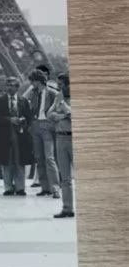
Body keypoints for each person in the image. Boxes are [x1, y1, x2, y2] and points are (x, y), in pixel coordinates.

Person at [0, 77, 33, 196]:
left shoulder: (23, 100)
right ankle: (8, 187)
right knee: (7, 161)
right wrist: (9, 120)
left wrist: (23, 121)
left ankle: (20, 188)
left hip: (20, 136)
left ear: (17, 87)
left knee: (19, 161)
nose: (9, 87)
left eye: (12, 85)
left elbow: (29, 118)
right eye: (8, 85)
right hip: (4, 135)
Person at [28, 69, 60, 198]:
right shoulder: (34, 93)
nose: (31, 84)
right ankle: (45, 187)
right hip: (36, 126)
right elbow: (24, 100)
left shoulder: (53, 93)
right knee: (39, 158)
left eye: (32, 82)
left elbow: (58, 108)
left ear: (37, 81)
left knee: (49, 158)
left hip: (47, 126)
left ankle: (55, 188)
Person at [48, 74, 74, 218]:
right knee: (65, 178)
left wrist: (65, 109)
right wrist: (64, 115)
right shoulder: (59, 96)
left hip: (73, 138)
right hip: (60, 138)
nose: (59, 87)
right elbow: (49, 114)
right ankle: (67, 208)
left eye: (62, 85)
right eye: (58, 84)